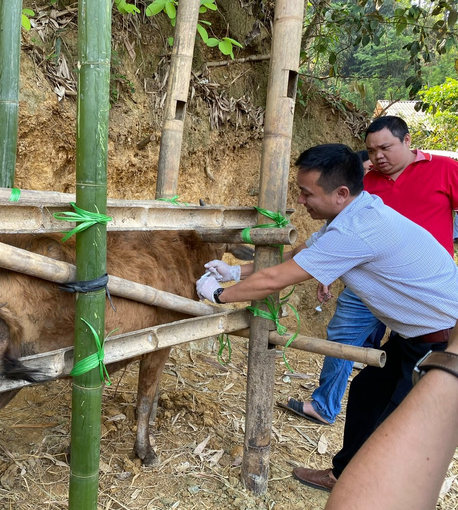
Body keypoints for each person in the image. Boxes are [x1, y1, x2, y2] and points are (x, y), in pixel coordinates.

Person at [196, 143, 458, 492]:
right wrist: (233, 272)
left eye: (307, 193)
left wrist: (218, 295)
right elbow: (298, 253)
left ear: (341, 193)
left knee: (400, 426)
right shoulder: (355, 213)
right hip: (417, 334)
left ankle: (376, 492)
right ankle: (343, 475)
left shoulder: (356, 229)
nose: (301, 201)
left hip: (443, 340)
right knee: (367, 391)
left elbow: (278, 278)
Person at [283, 116, 458, 426]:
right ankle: (325, 405)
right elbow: (337, 236)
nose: (378, 156)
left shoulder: (445, 169)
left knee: (414, 352)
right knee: (342, 337)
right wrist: (327, 272)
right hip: (366, 281)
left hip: (420, 288)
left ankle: (405, 417)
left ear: (407, 141)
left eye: (385, 147)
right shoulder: (365, 183)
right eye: (371, 149)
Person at [326, 324, 458, 510]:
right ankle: (341, 474)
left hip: (439, 342)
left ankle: (374, 485)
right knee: (366, 388)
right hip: (410, 337)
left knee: (398, 421)